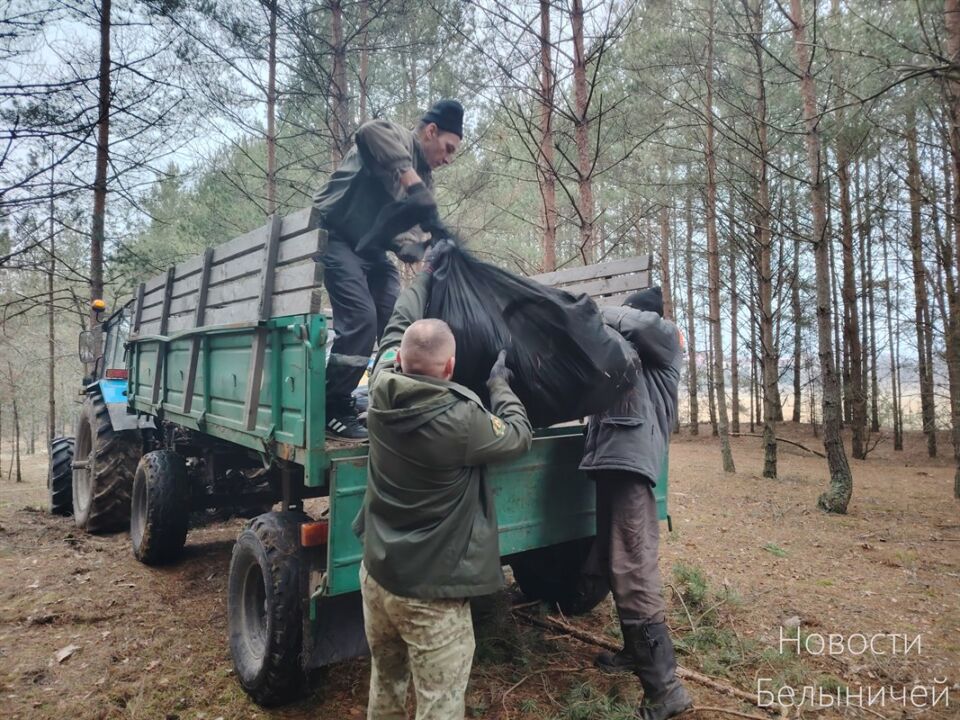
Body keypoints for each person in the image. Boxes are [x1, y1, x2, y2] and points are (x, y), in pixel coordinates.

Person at [353, 248, 533, 720]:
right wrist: (501, 387)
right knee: (440, 704)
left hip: (378, 577)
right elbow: (517, 435)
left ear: (400, 358)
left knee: (386, 682)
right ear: (451, 368)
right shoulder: (462, 420)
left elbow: (399, 323)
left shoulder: (380, 386)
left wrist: (425, 275)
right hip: (430, 595)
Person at [314, 99, 464, 441]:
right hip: (336, 237)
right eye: (448, 148)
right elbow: (368, 132)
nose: (447, 158)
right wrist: (411, 183)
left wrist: (421, 247)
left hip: (371, 247)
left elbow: (408, 234)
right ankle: (332, 406)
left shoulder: (426, 178)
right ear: (430, 131)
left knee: (398, 319)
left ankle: (390, 394)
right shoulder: (397, 137)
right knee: (361, 320)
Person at [579, 286, 694, 720]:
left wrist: (597, 311)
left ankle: (666, 691)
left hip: (631, 463)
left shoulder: (663, 340)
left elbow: (643, 324)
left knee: (633, 565)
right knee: (614, 560)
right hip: (611, 461)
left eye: (623, 318)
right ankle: (634, 652)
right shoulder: (628, 360)